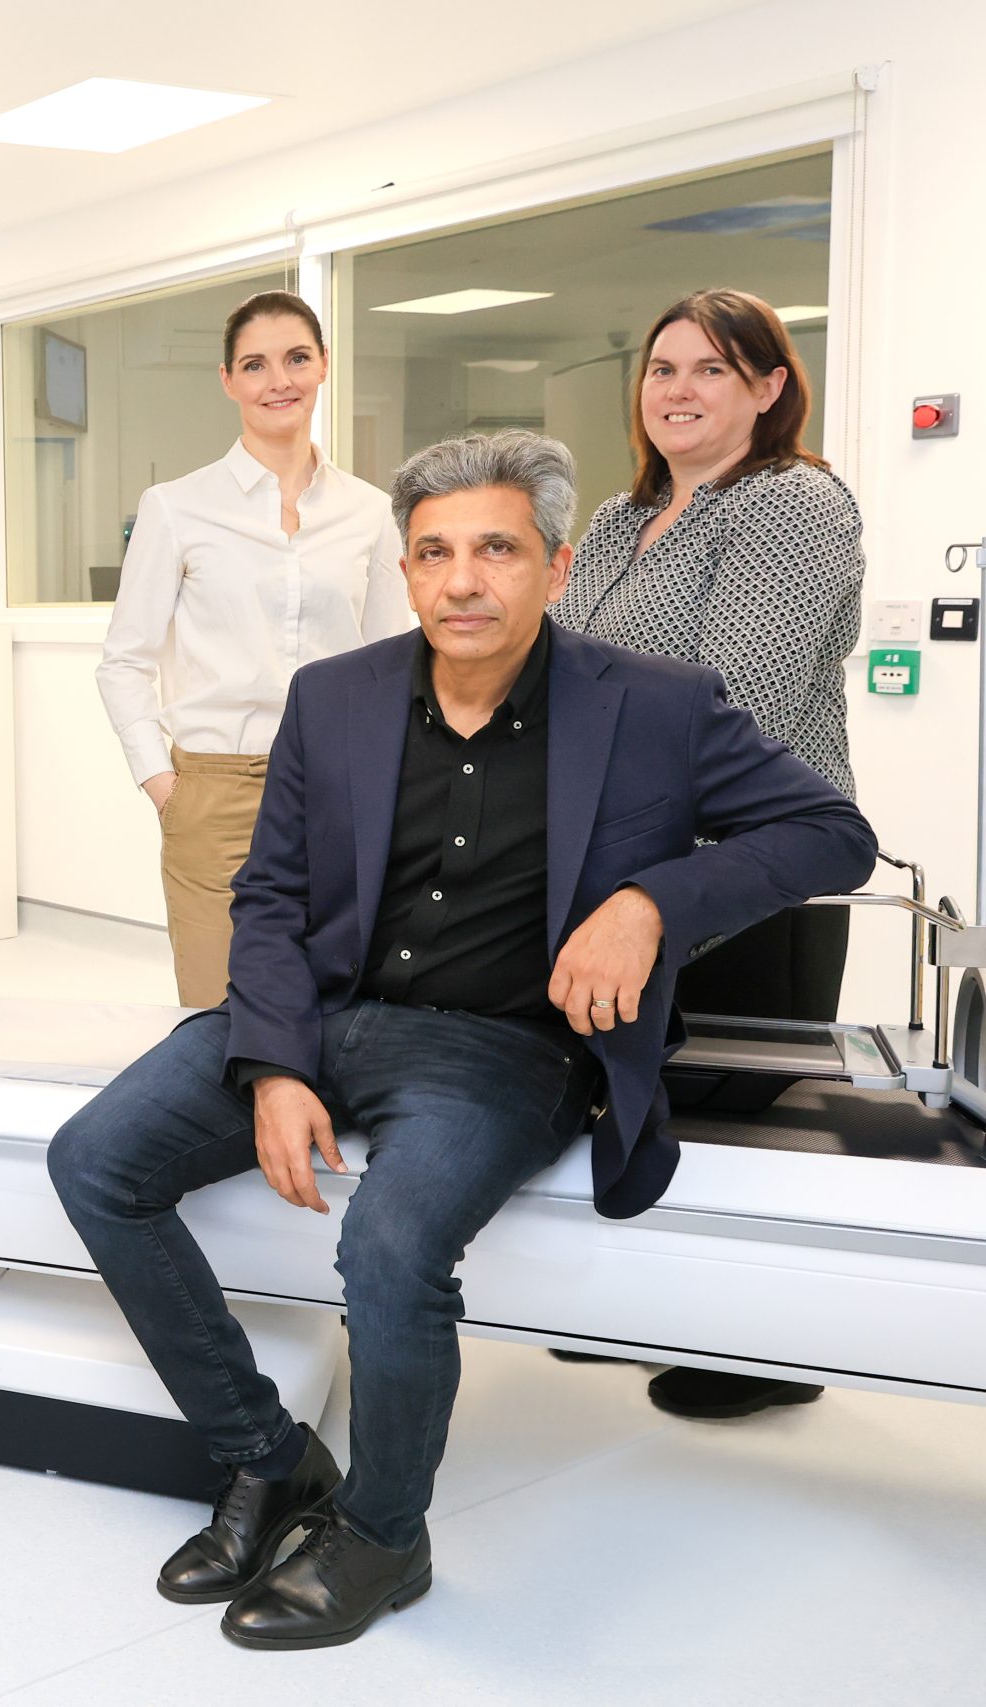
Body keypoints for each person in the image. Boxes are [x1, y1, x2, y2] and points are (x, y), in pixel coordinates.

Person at [46, 432, 875, 1651]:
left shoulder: (652, 706)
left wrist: (650, 907)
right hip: (323, 1014)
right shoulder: (336, 699)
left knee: (388, 1244)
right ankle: (267, 1460)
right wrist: (273, 1064)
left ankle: (385, 1534)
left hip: (502, 1045)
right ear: (404, 569)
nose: (460, 581)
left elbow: (831, 832)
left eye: (494, 549)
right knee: (94, 1161)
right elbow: (269, 898)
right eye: (432, 554)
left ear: (554, 560)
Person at [551, 289, 867, 1422]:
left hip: (753, 857)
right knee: (636, 1086)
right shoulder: (615, 515)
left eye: (710, 372)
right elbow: (564, 670)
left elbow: (745, 699)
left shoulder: (789, 505)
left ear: (769, 388)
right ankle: (635, 1305)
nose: (676, 391)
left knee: (740, 1107)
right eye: (662, 369)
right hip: (624, 858)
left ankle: (763, 1345)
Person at [96, 290, 406, 1007]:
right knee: (221, 1013)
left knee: (335, 1006)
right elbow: (124, 662)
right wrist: (165, 786)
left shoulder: (369, 512)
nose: (279, 381)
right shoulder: (176, 507)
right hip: (216, 790)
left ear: (324, 365)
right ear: (228, 380)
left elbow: (394, 661)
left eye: (297, 358)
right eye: (256, 364)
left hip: (340, 788)